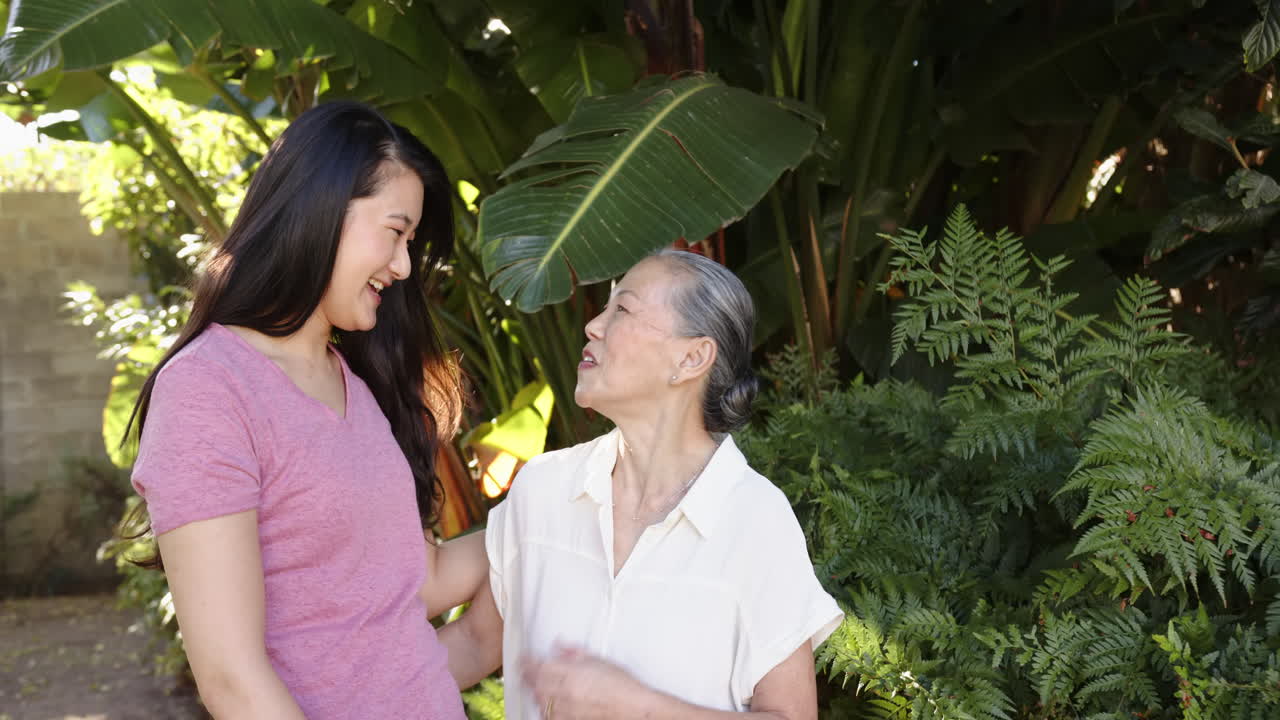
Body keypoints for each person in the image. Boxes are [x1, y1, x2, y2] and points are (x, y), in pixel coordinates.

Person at [126, 101, 484, 719]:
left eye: (411, 243)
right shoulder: (209, 390)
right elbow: (233, 678)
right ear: (322, 212)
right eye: (395, 233)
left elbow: (417, 583)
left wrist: (568, 503)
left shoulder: (359, 386)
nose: (403, 266)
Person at [440, 250, 844, 719]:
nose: (593, 325)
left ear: (692, 357)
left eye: (622, 310)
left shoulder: (756, 521)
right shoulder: (544, 488)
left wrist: (638, 708)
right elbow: (475, 641)